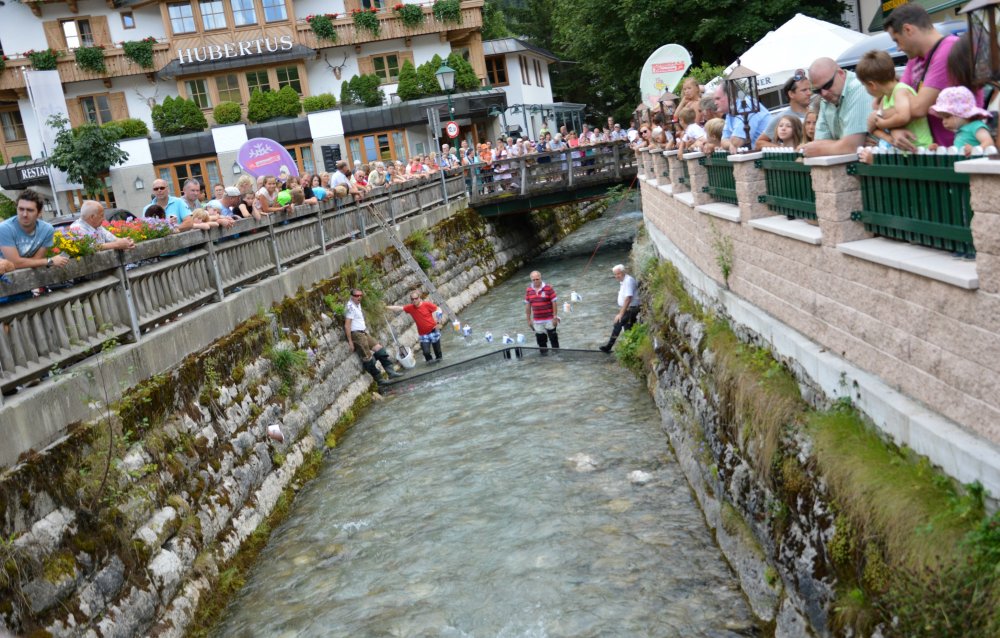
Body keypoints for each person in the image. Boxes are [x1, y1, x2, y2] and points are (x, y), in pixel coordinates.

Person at [886, 2, 979, 149]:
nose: (898, 47)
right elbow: (895, 102)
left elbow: (918, 108)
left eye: (896, 40)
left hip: (963, 151)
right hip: (936, 152)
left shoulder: (949, 49)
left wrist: (879, 119)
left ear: (908, 29)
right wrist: (895, 128)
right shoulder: (914, 58)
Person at [856, 49, 932, 150]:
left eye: (864, 85)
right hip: (905, 150)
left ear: (872, 85)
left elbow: (903, 117)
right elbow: (873, 128)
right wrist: (887, 137)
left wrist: (883, 123)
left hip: (921, 147)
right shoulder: (885, 98)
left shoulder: (900, 91)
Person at [802, 58, 870, 158]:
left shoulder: (858, 88)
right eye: (817, 91)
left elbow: (851, 147)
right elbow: (818, 142)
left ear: (841, 74)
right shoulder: (826, 99)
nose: (823, 93)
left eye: (827, 85)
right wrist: (843, 144)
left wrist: (823, 148)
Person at [344, 288, 403, 384]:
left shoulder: (357, 304)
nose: (359, 297)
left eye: (360, 295)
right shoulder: (350, 307)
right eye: (356, 296)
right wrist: (350, 341)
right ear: (352, 296)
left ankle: (391, 372)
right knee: (368, 358)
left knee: (379, 348)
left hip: (363, 332)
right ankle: (379, 379)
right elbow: (347, 325)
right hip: (357, 334)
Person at [0, 189, 69, 270]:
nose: (24, 214)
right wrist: (50, 261)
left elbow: (36, 261)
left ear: (39, 213)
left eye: (30, 210)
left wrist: (21, 263)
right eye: (21, 209)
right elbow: (14, 263)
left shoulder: (47, 230)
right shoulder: (5, 228)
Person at [756, 70, 812, 149]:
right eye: (804, 90)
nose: (809, 93)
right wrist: (785, 150)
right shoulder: (782, 118)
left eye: (810, 89)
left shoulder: (816, 112)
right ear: (791, 94)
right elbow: (759, 143)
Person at [929, 86, 994, 153]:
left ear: (962, 113)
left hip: (976, 162)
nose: (944, 122)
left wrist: (974, 150)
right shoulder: (960, 131)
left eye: (947, 117)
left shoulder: (976, 126)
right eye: (942, 118)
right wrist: (939, 150)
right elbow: (956, 151)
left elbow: (989, 142)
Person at [387, 290, 443, 364]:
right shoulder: (410, 308)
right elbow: (399, 308)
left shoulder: (427, 305)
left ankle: (440, 365)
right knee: (426, 353)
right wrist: (385, 307)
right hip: (423, 334)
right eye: (412, 299)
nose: (414, 300)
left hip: (433, 331)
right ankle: (430, 366)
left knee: (438, 353)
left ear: (419, 298)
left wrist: (438, 322)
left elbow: (438, 309)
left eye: (416, 298)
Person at [710, 85, 771, 152]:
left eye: (718, 98)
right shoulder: (730, 111)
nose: (715, 103)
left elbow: (737, 142)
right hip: (757, 154)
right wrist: (731, 144)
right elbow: (723, 142)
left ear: (730, 96)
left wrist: (730, 144)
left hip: (773, 154)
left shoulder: (745, 105)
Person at [599, 264, 640, 353]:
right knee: (628, 329)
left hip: (631, 308)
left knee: (618, 323)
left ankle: (608, 347)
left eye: (618, 274)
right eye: (615, 274)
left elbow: (628, 298)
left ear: (623, 272)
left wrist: (620, 314)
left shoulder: (628, 281)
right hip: (628, 308)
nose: (617, 276)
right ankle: (631, 349)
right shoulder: (623, 281)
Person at [69, 200, 136, 251]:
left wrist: (127, 242)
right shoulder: (76, 228)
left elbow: (113, 239)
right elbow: (90, 247)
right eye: (101, 216)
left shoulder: (97, 226)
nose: (104, 218)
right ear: (92, 217)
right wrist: (117, 244)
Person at [525, 270, 560, 352]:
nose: (535, 281)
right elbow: (528, 305)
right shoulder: (529, 290)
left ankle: (558, 358)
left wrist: (555, 317)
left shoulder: (548, 288)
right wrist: (529, 320)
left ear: (540, 278)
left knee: (554, 340)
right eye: (533, 280)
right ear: (531, 280)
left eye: (537, 279)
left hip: (550, 319)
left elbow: (554, 302)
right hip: (537, 321)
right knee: (541, 343)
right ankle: (545, 360)